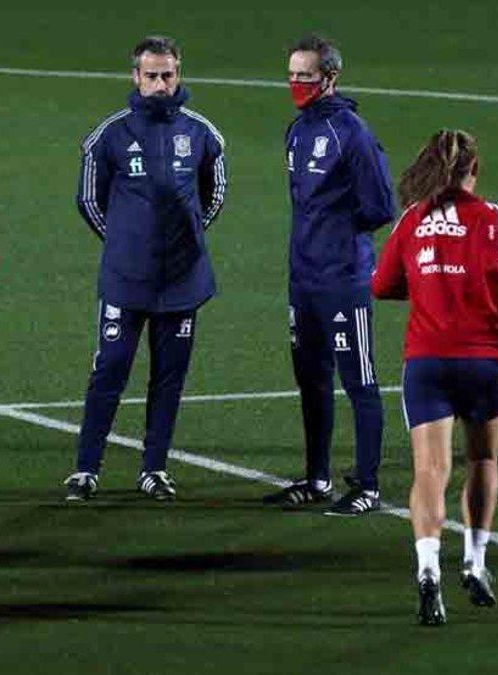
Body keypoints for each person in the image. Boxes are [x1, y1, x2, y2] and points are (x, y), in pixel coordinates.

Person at [64, 35, 227, 501]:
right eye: (151, 75)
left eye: (168, 75)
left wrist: (187, 238)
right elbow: (88, 201)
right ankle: (86, 469)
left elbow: (213, 195)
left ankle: (154, 469)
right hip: (125, 278)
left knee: (169, 377)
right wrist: (123, 244)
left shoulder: (202, 134)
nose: (160, 83)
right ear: (135, 77)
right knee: (109, 370)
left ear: (179, 75)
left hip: (182, 279)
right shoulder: (109, 135)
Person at [373, 129, 498, 625]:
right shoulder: (491, 217)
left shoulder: (412, 219)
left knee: (429, 472)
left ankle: (427, 570)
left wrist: (425, 288)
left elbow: (381, 284)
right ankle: (476, 563)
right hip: (481, 361)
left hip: (427, 362)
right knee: (482, 459)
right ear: (473, 171)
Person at [263, 34, 396, 515]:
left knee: (359, 380)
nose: (297, 83)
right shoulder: (296, 132)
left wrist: (339, 237)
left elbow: (381, 205)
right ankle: (317, 478)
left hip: (342, 278)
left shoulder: (352, 132)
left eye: (307, 76)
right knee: (311, 379)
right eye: (293, 75)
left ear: (331, 78)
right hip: (303, 280)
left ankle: (368, 485)